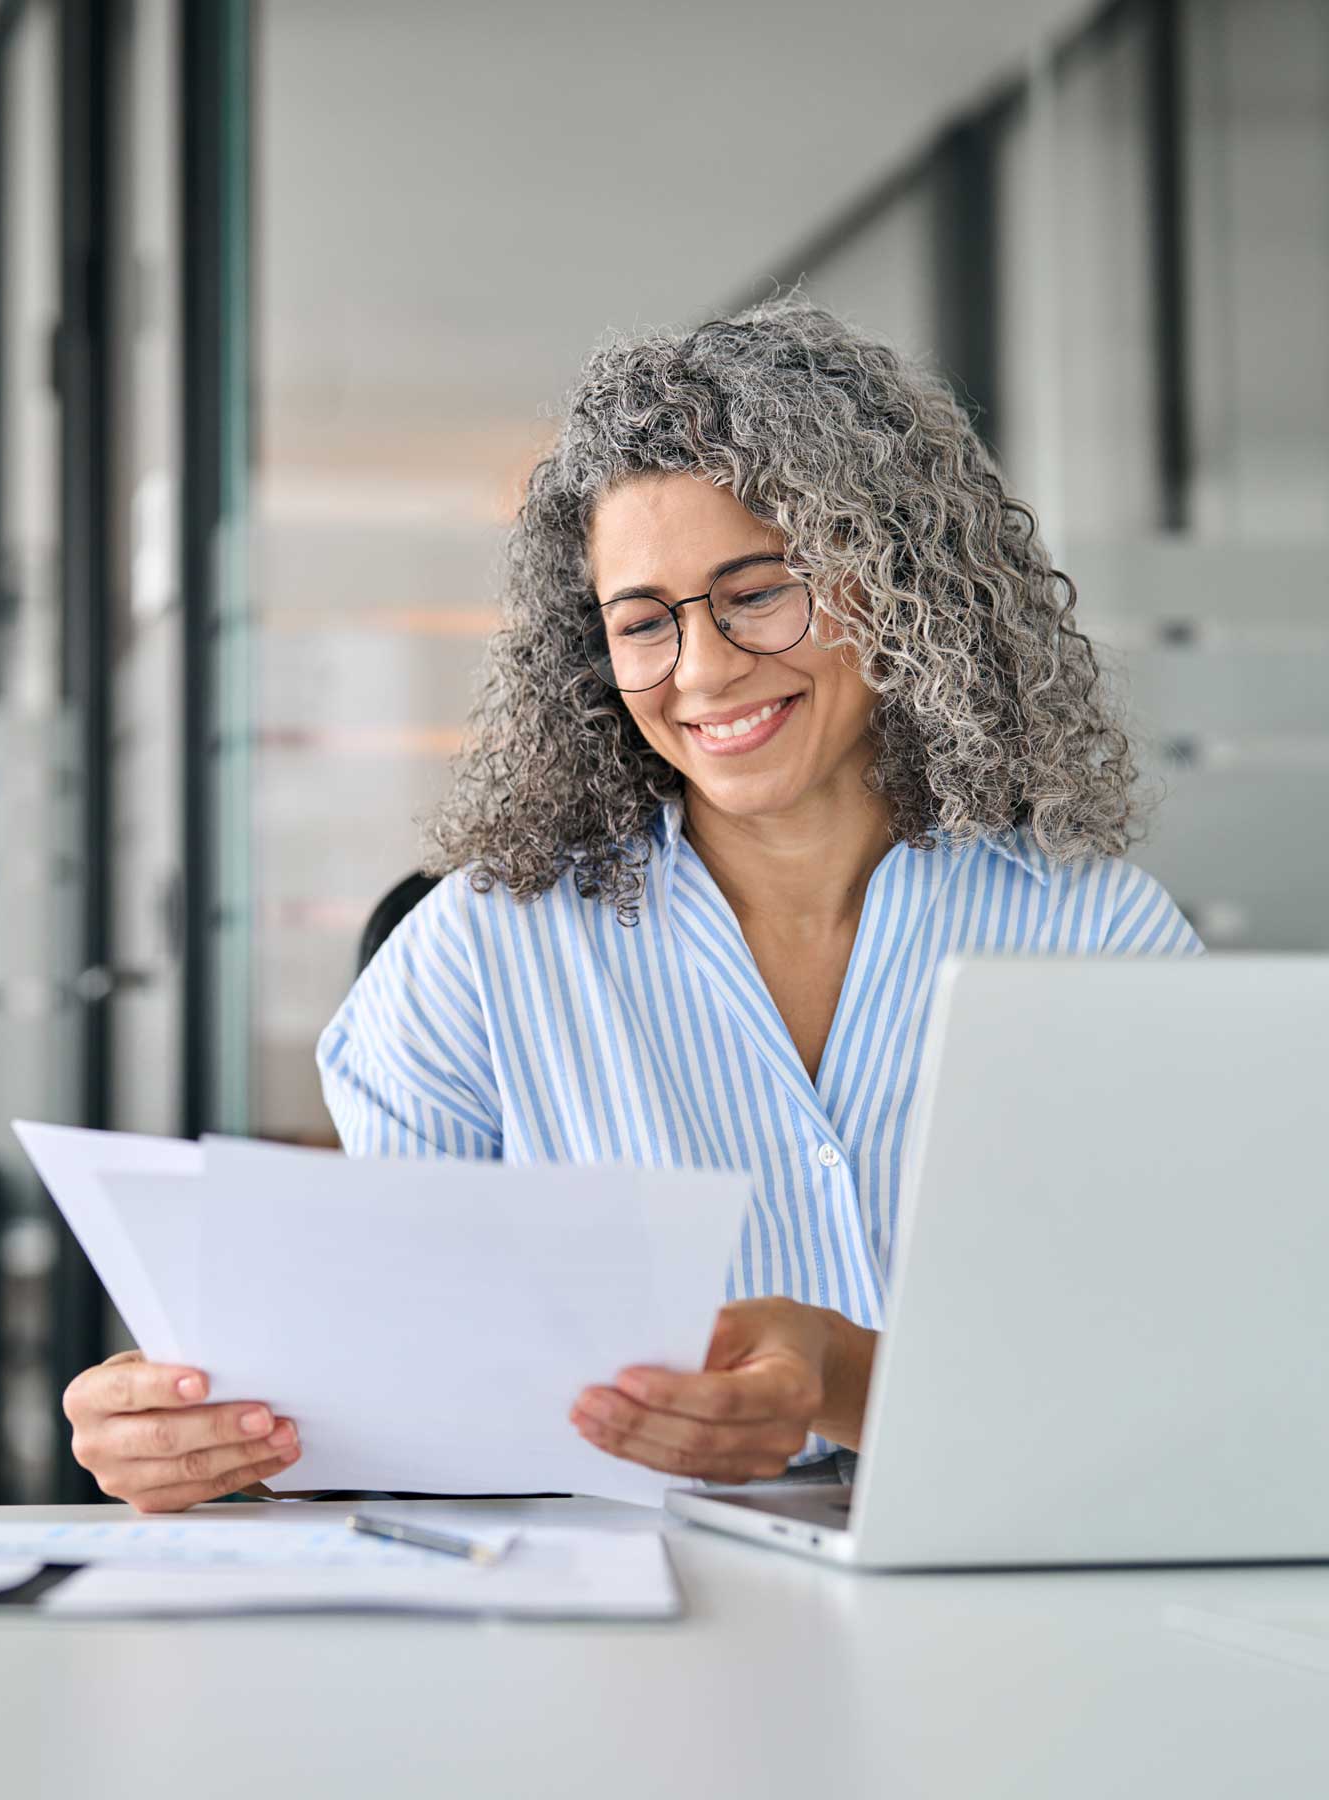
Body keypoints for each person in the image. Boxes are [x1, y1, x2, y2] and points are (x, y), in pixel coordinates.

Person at [62, 300, 1201, 1512]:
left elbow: (1190, 1365)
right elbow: (406, 1400)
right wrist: (206, 1431)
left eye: (760, 593)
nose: (703, 671)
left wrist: (840, 1376)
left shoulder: (1095, 936)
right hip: (609, 1629)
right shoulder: (472, 958)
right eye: (644, 623)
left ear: (896, 584)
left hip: (1017, 1598)